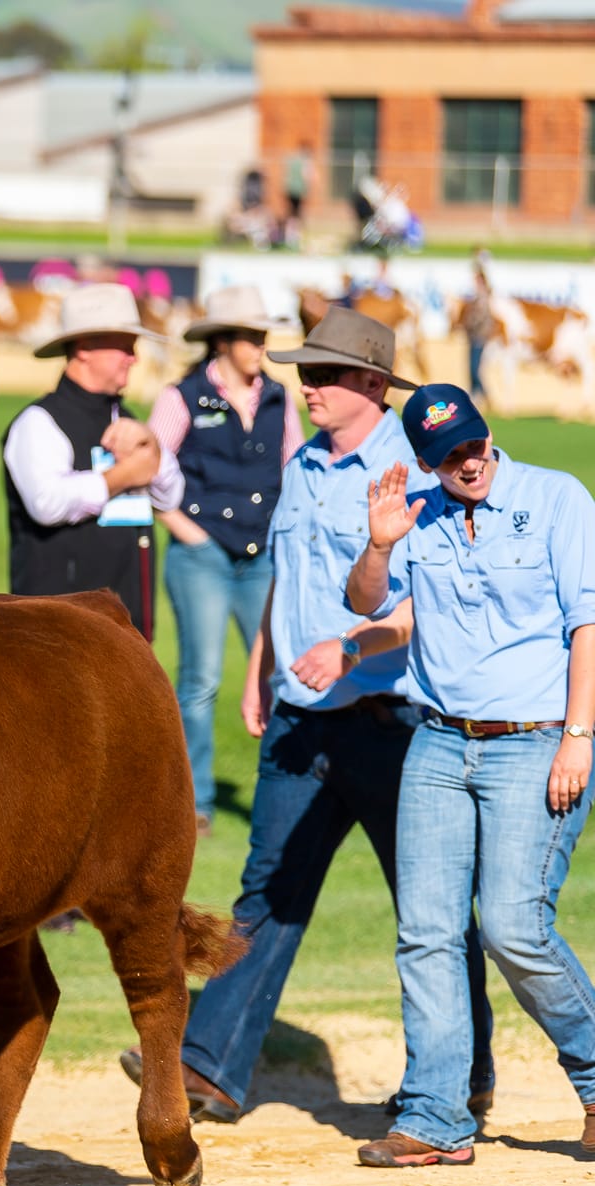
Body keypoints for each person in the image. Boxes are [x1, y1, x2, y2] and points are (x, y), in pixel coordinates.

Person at [120, 308, 494, 1124]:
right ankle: (209, 1065)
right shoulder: (302, 462)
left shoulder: (418, 468)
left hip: (393, 720)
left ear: (373, 383)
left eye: (323, 374)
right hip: (299, 716)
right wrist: (261, 667)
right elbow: (286, 578)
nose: (307, 387)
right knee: (268, 890)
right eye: (304, 374)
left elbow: (442, 601)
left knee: (430, 905)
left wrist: (351, 648)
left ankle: (466, 1074)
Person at [348, 385, 595, 1167]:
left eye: (473, 443)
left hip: (537, 739)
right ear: (426, 462)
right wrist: (379, 545)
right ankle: (435, 1115)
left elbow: (587, 622)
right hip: (437, 742)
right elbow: (367, 603)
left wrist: (578, 736)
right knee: (426, 932)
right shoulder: (416, 515)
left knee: (514, 927)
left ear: (488, 433)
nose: (467, 461)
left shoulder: (556, 498)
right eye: (448, 454)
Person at [147, 285, 302, 834]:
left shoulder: (280, 397)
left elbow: (293, 469)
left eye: (262, 335)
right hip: (203, 557)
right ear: (222, 341)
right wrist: (186, 532)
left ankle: (285, 796)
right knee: (202, 680)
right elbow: (149, 466)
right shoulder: (181, 397)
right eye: (250, 336)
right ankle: (195, 801)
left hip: (264, 558)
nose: (260, 345)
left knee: (281, 676)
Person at [2, 282, 181, 640]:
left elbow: (171, 496)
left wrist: (153, 451)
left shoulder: (127, 419)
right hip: (56, 630)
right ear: (84, 348)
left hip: (126, 627)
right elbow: (47, 503)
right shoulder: (38, 421)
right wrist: (122, 476)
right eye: (124, 346)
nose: (134, 358)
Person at [461, 256, 497, 409]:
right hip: (474, 336)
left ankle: (485, 397)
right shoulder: (478, 297)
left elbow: (480, 318)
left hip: (479, 336)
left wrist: (467, 324)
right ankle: (474, 398)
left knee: (475, 368)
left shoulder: (483, 297)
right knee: (471, 368)